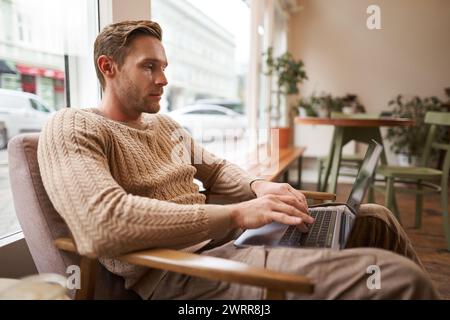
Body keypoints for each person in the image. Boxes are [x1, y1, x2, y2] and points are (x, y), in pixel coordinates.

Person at [37, 20, 439, 300]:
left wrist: (258, 188)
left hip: (232, 244)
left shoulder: (164, 127)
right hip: (182, 272)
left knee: (375, 218)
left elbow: (217, 168)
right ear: (108, 68)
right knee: (398, 280)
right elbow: (102, 226)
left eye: (163, 67)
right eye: (149, 67)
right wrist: (236, 215)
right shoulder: (72, 126)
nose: (163, 79)